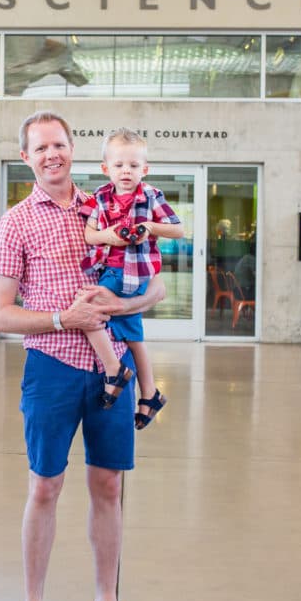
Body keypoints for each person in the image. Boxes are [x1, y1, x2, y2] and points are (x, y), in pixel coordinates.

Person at [0, 110, 166, 601]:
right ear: (26, 157)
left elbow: (157, 287)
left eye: (59, 145)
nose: (51, 155)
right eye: (40, 148)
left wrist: (126, 304)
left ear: (73, 149)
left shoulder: (107, 204)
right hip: (51, 368)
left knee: (109, 488)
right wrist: (65, 319)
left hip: (111, 367)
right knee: (45, 486)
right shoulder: (15, 222)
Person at [80, 128, 184, 429]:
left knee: (87, 308)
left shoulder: (151, 196)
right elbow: (89, 233)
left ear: (145, 169)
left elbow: (177, 229)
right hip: (109, 269)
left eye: (134, 166)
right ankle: (149, 394)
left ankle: (115, 370)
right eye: (119, 165)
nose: (126, 171)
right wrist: (109, 235)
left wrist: (150, 227)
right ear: (105, 168)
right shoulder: (100, 197)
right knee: (133, 336)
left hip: (133, 273)